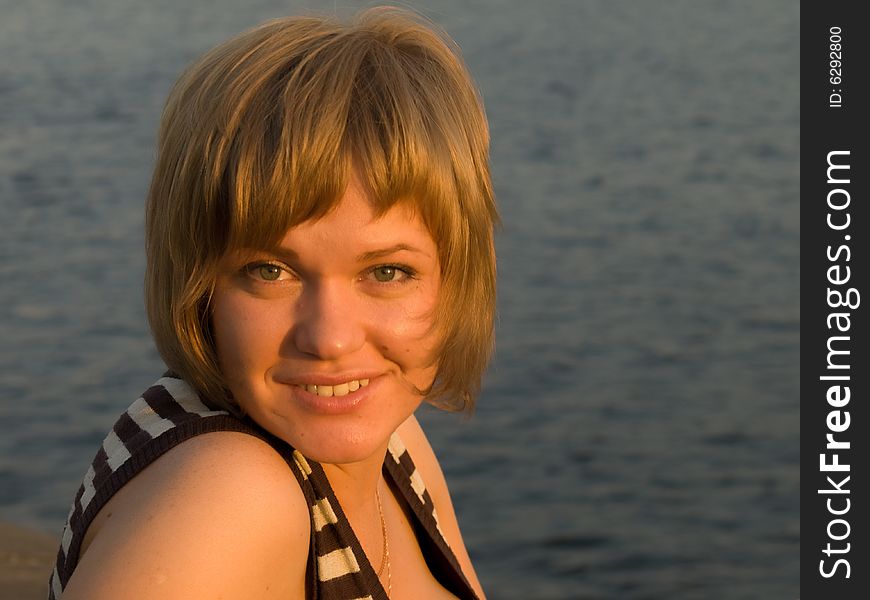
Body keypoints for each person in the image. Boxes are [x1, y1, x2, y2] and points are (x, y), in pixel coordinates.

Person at [48, 6, 497, 600]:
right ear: (199, 284)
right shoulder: (227, 501)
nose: (331, 339)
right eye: (270, 271)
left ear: (456, 277)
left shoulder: (394, 441)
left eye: (387, 272)